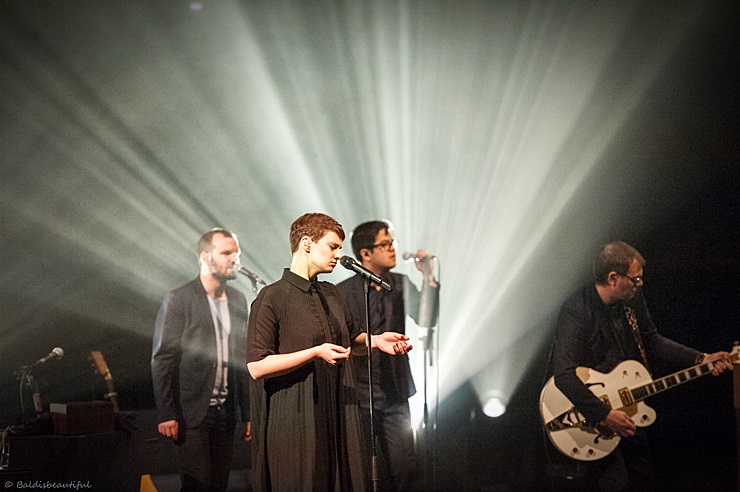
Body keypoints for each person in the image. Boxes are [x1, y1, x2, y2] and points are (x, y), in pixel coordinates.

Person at [246, 213, 413, 492]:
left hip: (336, 409)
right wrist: (313, 353)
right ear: (307, 243)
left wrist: (376, 341)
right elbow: (257, 366)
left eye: (339, 248)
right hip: (295, 418)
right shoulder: (272, 297)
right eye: (333, 246)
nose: (339, 254)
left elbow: (350, 340)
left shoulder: (331, 293)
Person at [549, 240, 732, 491]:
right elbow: (565, 375)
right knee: (616, 484)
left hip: (628, 406)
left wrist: (700, 358)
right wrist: (604, 414)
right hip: (592, 418)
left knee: (643, 481)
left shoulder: (631, 299)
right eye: (634, 280)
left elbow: (653, 340)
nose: (640, 284)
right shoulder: (577, 309)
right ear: (613, 278)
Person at [336, 220, 439, 491]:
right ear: (365, 253)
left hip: (395, 392)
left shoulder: (401, 284)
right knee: (361, 471)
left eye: (393, 242)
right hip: (357, 394)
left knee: (405, 468)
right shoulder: (344, 292)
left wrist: (428, 278)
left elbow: (426, 319)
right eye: (386, 244)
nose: (394, 249)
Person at [152, 228, 251, 491]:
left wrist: (249, 411)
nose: (235, 259)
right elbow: (163, 358)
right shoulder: (180, 299)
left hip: (226, 412)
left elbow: (241, 358)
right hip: (192, 412)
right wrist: (167, 412)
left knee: (219, 484)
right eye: (227, 253)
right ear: (205, 258)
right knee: (197, 485)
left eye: (237, 253)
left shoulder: (239, 300)